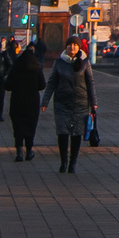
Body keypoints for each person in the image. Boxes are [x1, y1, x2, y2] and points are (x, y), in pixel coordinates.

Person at [45, 39, 98, 174]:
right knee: (62, 132)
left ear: (78, 47)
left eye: (75, 45)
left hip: (80, 103)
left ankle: (72, 163)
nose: (72, 47)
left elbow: (90, 82)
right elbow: (51, 83)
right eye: (70, 45)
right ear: (66, 47)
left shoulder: (85, 63)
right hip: (62, 103)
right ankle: (63, 162)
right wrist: (44, 102)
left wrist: (94, 102)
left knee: (76, 134)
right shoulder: (59, 62)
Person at [7, 42, 46, 161]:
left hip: (17, 100)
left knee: (18, 126)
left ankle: (19, 151)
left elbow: (7, 85)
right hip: (32, 101)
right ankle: (29, 151)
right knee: (31, 126)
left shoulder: (16, 67)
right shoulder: (37, 68)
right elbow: (42, 85)